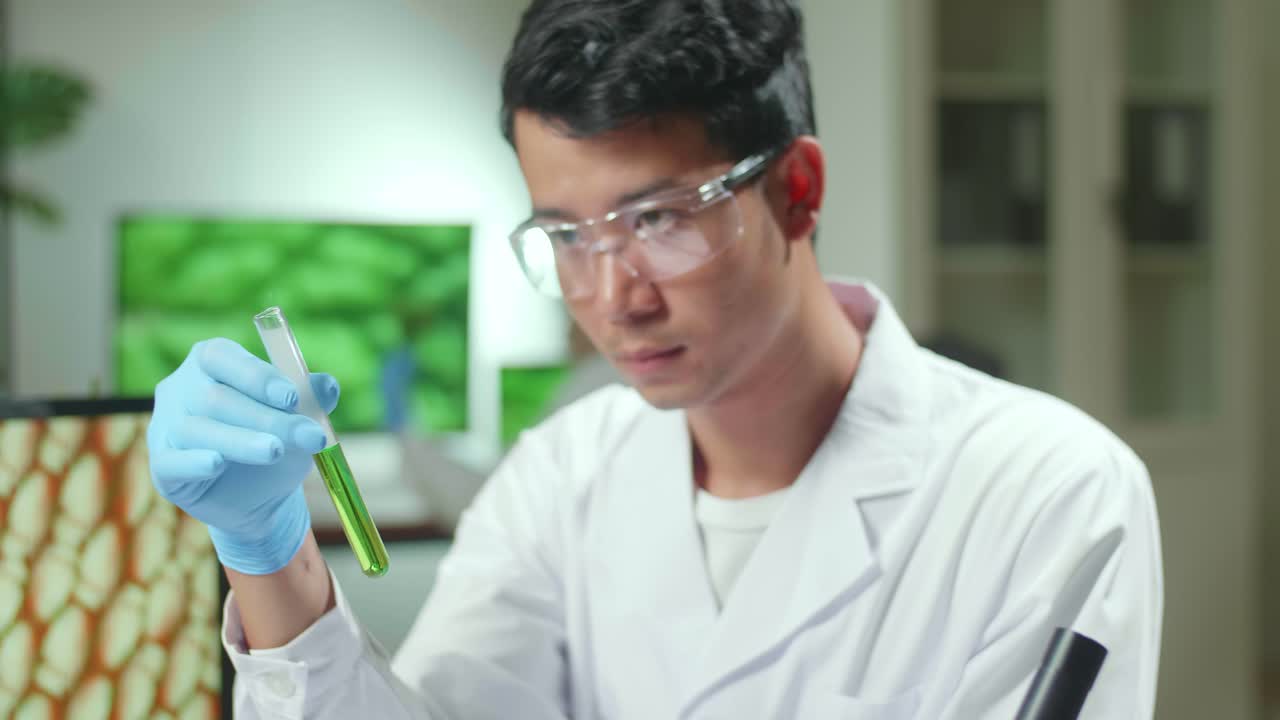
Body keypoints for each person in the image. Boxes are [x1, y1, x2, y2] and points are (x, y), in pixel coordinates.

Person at [146, 1, 1163, 717]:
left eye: (660, 219)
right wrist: (267, 557)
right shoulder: (562, 478)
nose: (612, 295)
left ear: (796, 190)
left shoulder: (1045, 490)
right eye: (566, 236)